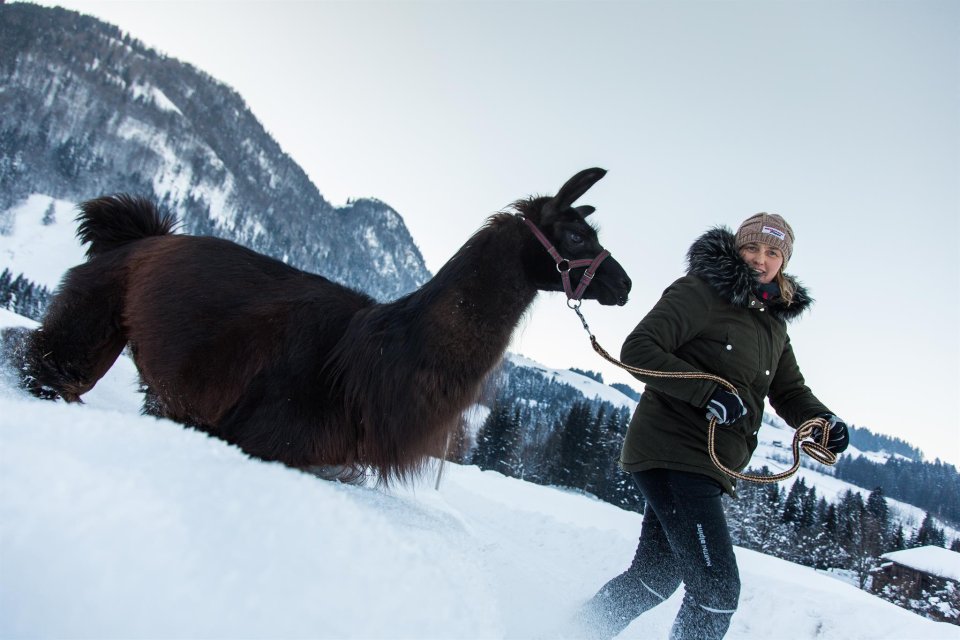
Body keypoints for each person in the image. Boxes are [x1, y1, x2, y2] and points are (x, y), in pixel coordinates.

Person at [577, 213, 849, 640]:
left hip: (711, 461)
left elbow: (790, 391)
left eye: (773, 252)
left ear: (784, 261)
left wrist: (822, 421)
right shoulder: (701, 291)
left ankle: (573, 631)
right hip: (674, 449)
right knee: (717, 591)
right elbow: (639, 348)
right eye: (752, 248)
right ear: (737, 250)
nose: (761, 259)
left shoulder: (773, 325)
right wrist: (705, 391)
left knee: (655, 576)